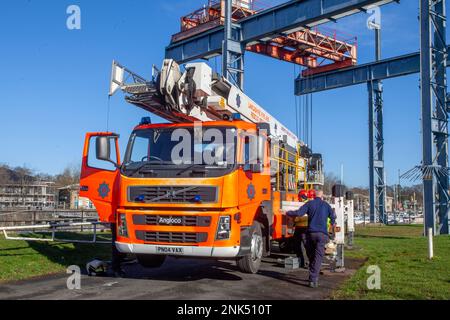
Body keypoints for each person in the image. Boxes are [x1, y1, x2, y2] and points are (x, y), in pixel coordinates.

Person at [286, 190, 336, 288]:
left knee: (312, 255)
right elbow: (333, 217)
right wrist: (333, 224)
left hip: (311, 234)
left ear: (313, 196)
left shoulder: (310, 203)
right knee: (318, 257)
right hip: (322, 235)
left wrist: (288, 212)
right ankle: (313, 279)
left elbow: (299, 213)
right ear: (322, 197)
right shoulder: (326, 205)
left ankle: (312, 274)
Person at [293, 190, 309, 268]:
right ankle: (304, 262)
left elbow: (298, 217)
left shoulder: (302, 205)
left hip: (302, 228)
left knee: (301, 246)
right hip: (302, 228)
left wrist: (295, 219)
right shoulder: (308, 204)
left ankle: (303, 262)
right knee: (303, 246)